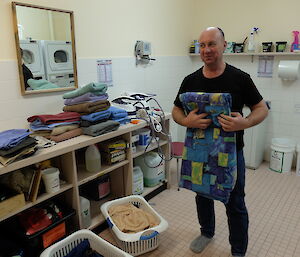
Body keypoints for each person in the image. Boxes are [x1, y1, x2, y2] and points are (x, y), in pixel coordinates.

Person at [172, 27, 268, 257]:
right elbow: (175, 110)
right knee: (202, 195)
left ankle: (238, 251)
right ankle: (206, 232)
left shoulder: (240, 79)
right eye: (202, 45)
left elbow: (261, 109)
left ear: (224, 45)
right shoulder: (190, 80)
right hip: (199, 152)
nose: (206, 50)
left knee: (235, 203)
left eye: (212, 44)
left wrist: (243, 123)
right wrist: (187, 121)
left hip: (231, 154)